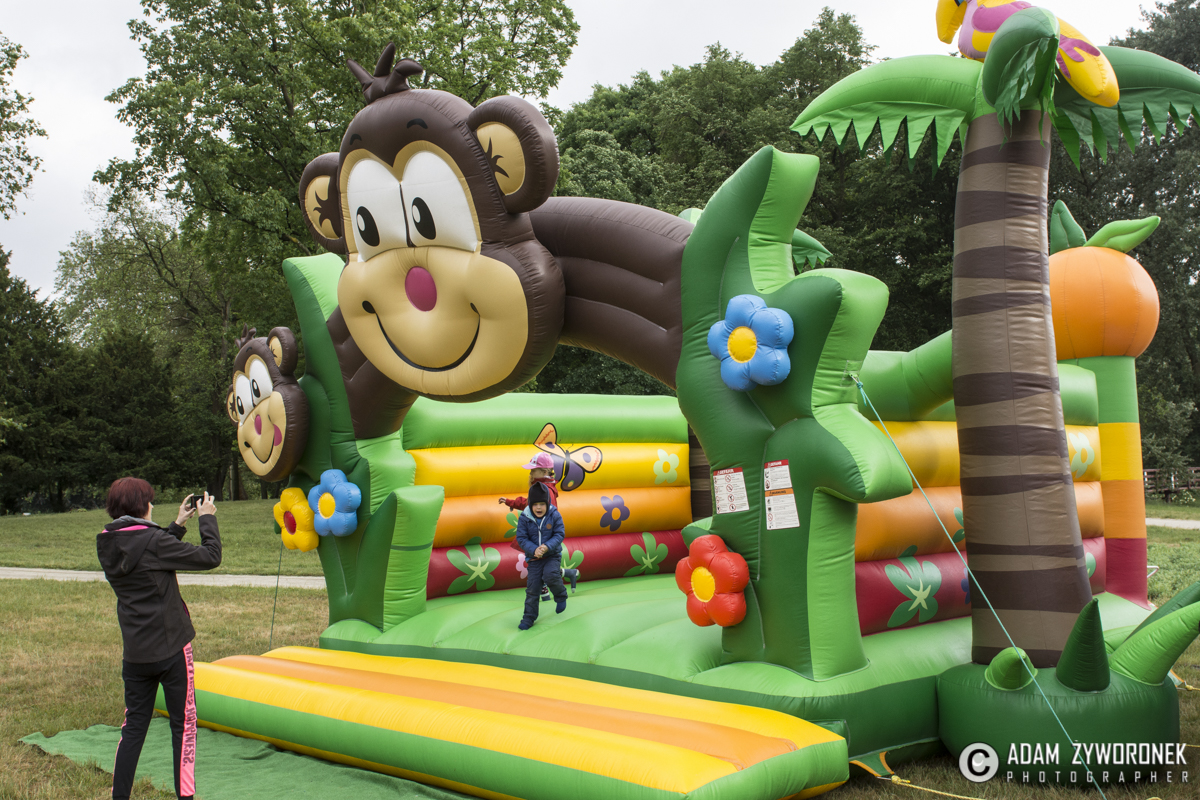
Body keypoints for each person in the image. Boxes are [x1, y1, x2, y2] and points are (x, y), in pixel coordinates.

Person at [96, 478, 222, 800]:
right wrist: (207, 519)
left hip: (136, 654)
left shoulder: (107, 542)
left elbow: (146, 556)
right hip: (172, 651)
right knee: (184, 726)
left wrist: (177, 526)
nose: (152, 506)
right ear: (142, 506)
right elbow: (210, 556)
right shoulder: (154, 541)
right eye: (150, 501)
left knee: (134, 728)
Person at [514, 481, 568, 630]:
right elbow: (522, 538)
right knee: (532, 589)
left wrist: (547, 546)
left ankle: (560, 595)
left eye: (542, 504)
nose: (539, 508)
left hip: (551, 555)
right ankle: (528, 618)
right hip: (534, 559)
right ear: (530, 504)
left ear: (547, 503)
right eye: (535, 504)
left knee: (551, 575)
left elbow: (559, 534)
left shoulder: (554, 515)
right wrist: (534, 550)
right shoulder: (525, 517)